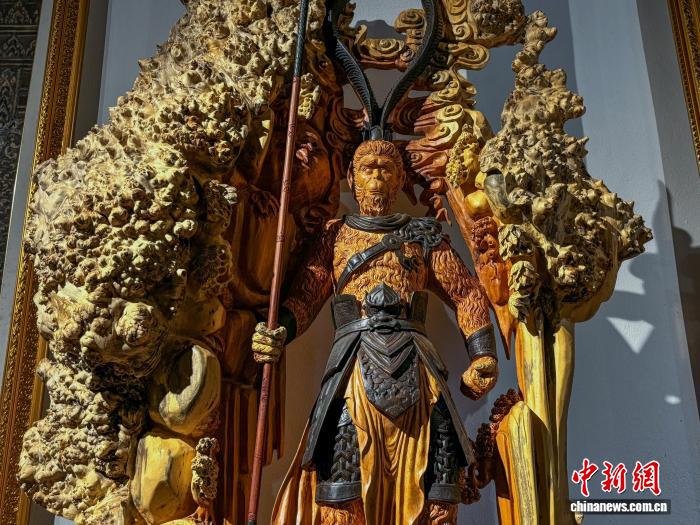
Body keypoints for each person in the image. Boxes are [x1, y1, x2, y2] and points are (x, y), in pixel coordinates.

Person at [253, 139, 499, 524]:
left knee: (439, 487)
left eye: (386, 170)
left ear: (400, 179)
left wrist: (483, 355)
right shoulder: (334, 236)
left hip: (419, 372)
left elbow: (466, 292)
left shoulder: (424, 235)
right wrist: (279, 332)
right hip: (352, 368)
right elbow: (306, 294)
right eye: (369, 169)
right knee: (341, 483)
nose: (377, 178)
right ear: (352, 179)